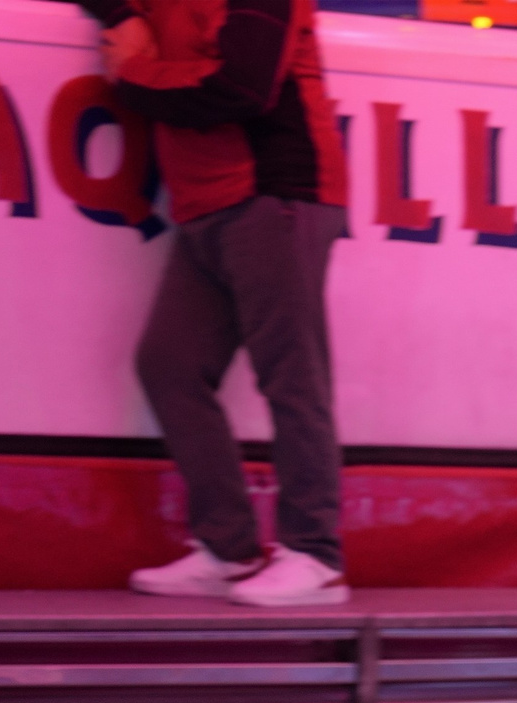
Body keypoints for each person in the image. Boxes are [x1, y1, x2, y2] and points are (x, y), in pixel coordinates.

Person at [90, 0, 351, 607]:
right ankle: (228, 548)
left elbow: (241, 87)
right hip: (206, 203)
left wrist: (134, 71)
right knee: (170, 366)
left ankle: (316, 555)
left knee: (293, 374)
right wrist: (120, 14)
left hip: (276, 190)